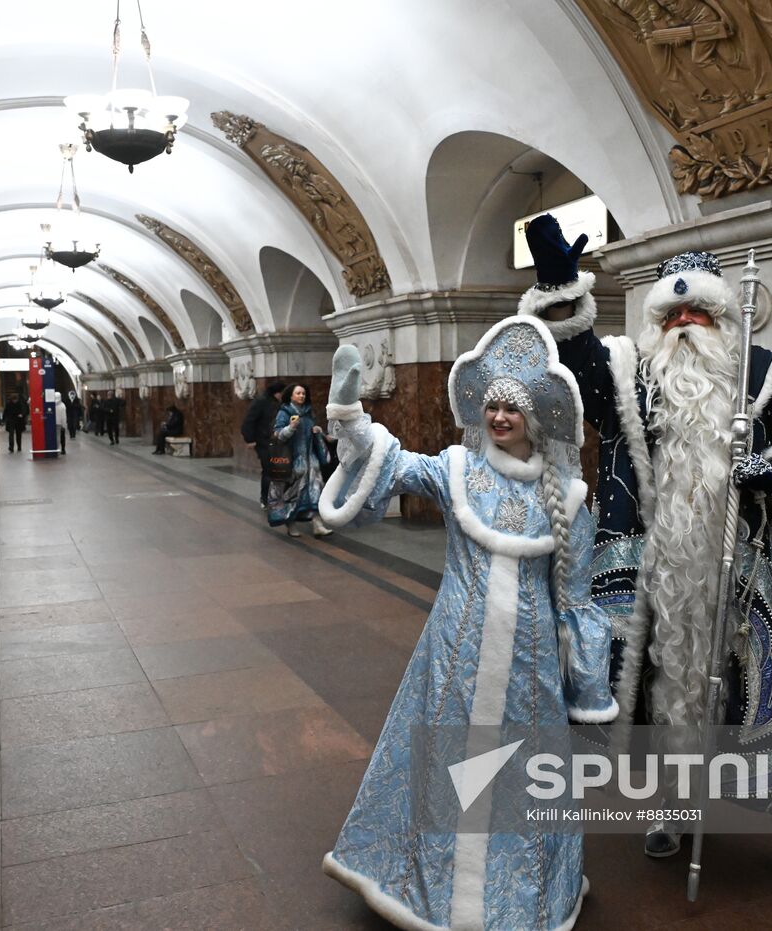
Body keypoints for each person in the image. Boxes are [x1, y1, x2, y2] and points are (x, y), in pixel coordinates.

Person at [521, 215, 772, 907]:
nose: (686, 322)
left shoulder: (762, 369)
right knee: (663, 695)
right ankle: (671, 802)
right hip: (652, 568)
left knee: (767, 706)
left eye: (699, 310)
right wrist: (559, 288)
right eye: (674, 311)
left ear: (722, 314)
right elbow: (579, 370)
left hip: (742, 573)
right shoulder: (633, 372)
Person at [318, 319, 616, 930]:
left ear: (534, 418)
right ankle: (434, 892)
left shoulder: (570, 498)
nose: (499, 416)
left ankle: (520, 900)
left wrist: (588, 694)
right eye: (492, 405)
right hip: (455, 651)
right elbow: (391, 464)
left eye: (512, 407)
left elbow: (579, 600)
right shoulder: (456, 469)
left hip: (529, 671)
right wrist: (348, 412)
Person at [265, 386, 330, 537]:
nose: (301, 396)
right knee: (292, 494)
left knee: (317, 488)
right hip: (292, 460)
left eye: (303, 393)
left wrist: (318, 431)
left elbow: (312, 429)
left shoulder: (308, 412)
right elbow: (278, 435)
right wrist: (291, 427)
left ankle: (317, 524)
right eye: (298, 393)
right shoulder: (285, 412)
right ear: (291, 396)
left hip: (310, 459)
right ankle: (291, 524)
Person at [241, 380, 286, 507]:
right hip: (263, 442)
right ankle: (265, 498)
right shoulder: (261, 402)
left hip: (278, 442)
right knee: (268, 469)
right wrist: (249, 439)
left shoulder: (281, 404)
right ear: (277, 393)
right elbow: (249, 421)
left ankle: (278, 496)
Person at [53, 390, 68, 456]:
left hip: (52, 423)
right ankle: (60, 449)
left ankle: (54, 448)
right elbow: (64, 416)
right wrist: (64, 425)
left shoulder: (51, 404)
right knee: (60, 437)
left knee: (54, 437)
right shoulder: (62, 405)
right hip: (60, 423)